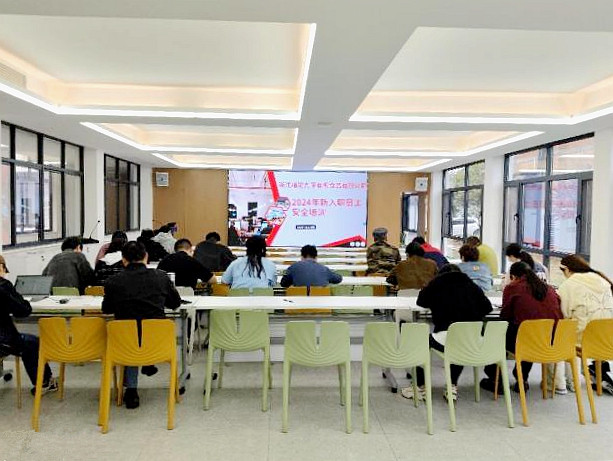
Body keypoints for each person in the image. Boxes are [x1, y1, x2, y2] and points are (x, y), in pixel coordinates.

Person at [102, 241, 182, 409]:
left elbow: (107, 309)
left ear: (123, 260)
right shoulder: (161, 277)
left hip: (125, 342)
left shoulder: (112, 281)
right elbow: (175, 303)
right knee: (142, 331)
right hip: (157, 342)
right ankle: (148, 362)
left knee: (132, 334)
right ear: (146, 257)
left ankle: (131, 391)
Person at [400, 264, 492, 402]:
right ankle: (452, 386)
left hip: (446, 336)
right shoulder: (472, 285)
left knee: (421, 341)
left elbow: (421, 301)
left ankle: (420, 386)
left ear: (440, 274)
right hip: (473, 339)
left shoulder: (437, 283)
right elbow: (487, 308)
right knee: (459, 345)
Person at [481, 262, 563, 393]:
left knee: (495, 333)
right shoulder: (549, 289)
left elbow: (505, 316)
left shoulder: (513, 287)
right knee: (529, 331)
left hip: (525, 339)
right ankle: (522, 378)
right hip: (549, 340)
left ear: (513, 276)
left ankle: (496, 379)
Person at [0, 255, 57, 395]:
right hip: (3, 341)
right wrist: (20, 299)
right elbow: (23, 311)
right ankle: (44, 382)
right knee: (33, 343)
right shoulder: (3, 286)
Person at [558, 255, 613, 393]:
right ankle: (594, 376)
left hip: (583, 341)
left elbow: (563, 314)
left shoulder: (569, 285)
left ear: (567, 269)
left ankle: (564, 383)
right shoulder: (603, 280)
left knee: (562, 334)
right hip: (606, 340)